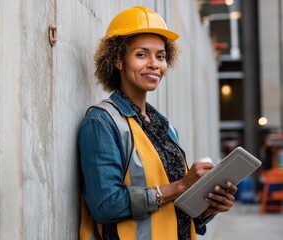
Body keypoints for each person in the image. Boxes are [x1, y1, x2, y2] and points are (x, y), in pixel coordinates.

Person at [78, 6, 237, 240]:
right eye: (142, 54)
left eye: (160, 56)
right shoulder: (102, 123)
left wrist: (207, 208)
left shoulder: (165, 127)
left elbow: (170, 209)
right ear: (118, 60)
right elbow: (106, 206)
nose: (154, 64)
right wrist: (181, 186)